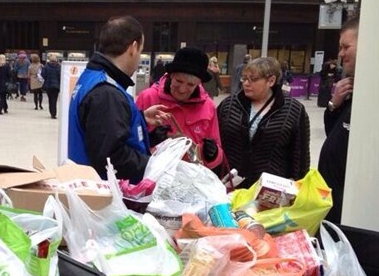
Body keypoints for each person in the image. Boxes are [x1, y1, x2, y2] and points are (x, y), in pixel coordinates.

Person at [67, 15, 166, 182]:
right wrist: (156, 167)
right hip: (105, 197)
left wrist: (140, 119)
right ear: (133, 48)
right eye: (141, 51)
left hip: (91, 188)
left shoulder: (94, 79)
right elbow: (111, 157)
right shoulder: (106, 93)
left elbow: (103, 133)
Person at [217, 56, 310, 188]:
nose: (246, 83)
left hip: (270, 192)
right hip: (230, 188)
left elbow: (301, 156)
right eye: (244, 78)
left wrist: (297, 186)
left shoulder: (294, 110)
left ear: (271, 81)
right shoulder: (228, 105)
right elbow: (216, 143)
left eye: (253, 79)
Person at [136, 47, 225, 172]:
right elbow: (129, 146)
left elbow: (217, 154)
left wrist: (212, 154)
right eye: (179, 81)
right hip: (152, 180)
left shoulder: (208, 106)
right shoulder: (148, 97)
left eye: (190, 85)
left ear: (199, 83)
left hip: (192, 182)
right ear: (171, 75)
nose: (182, 89)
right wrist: (149, 140)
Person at [318, 18, 357, 224]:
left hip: (350, 209)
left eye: (346, 47)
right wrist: (334, 105)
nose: (341, 54)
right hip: (334, 207)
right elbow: (332, 133)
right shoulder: (352, 88)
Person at [42, 53, 61, 119]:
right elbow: (60, 76)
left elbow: (43, 75)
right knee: (54, 100)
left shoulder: (46, 66)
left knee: (50, 99)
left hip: (48, 85)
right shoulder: (59, 67)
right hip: (56, 86)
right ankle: (54, 113)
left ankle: (52, 112)